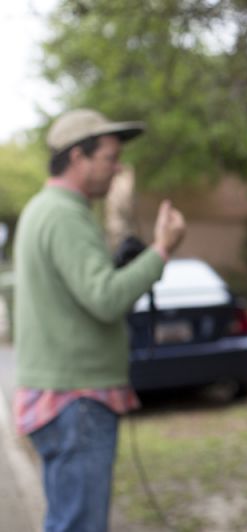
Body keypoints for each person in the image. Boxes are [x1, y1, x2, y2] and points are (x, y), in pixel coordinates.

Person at [13, 108, 186, 532]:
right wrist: (161, 249)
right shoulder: (64, 215)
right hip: (78, 403)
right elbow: (106, 298)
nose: (117, 169)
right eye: (110, 157)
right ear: (77, 157)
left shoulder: (44, 210)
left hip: (62, 399)